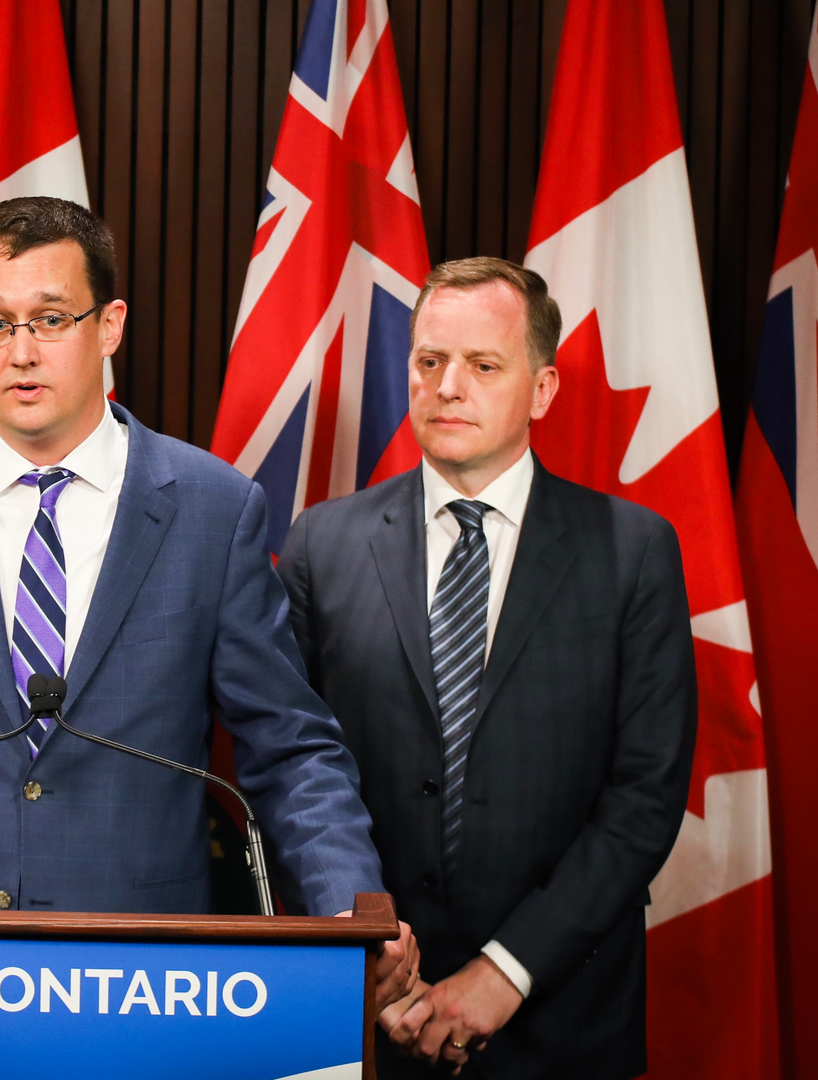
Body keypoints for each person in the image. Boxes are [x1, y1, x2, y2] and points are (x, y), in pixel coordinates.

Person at [0, 196, 414, 1003]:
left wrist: (345, 906)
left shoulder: (210, 508)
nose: (21, 351)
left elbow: (289, 748)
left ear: (109, 326)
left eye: (50, 319)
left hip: (137, 976)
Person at [277, 257, 697, 1078]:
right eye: (430, 362)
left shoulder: (634, 552)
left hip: (560, 1022)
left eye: (483, 365)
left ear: (542, 389)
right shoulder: (320, 546)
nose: (448, 386)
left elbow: (645, 796)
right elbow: (291, 763)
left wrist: (506, 970)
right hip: (362, 1018)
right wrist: (368, 950)